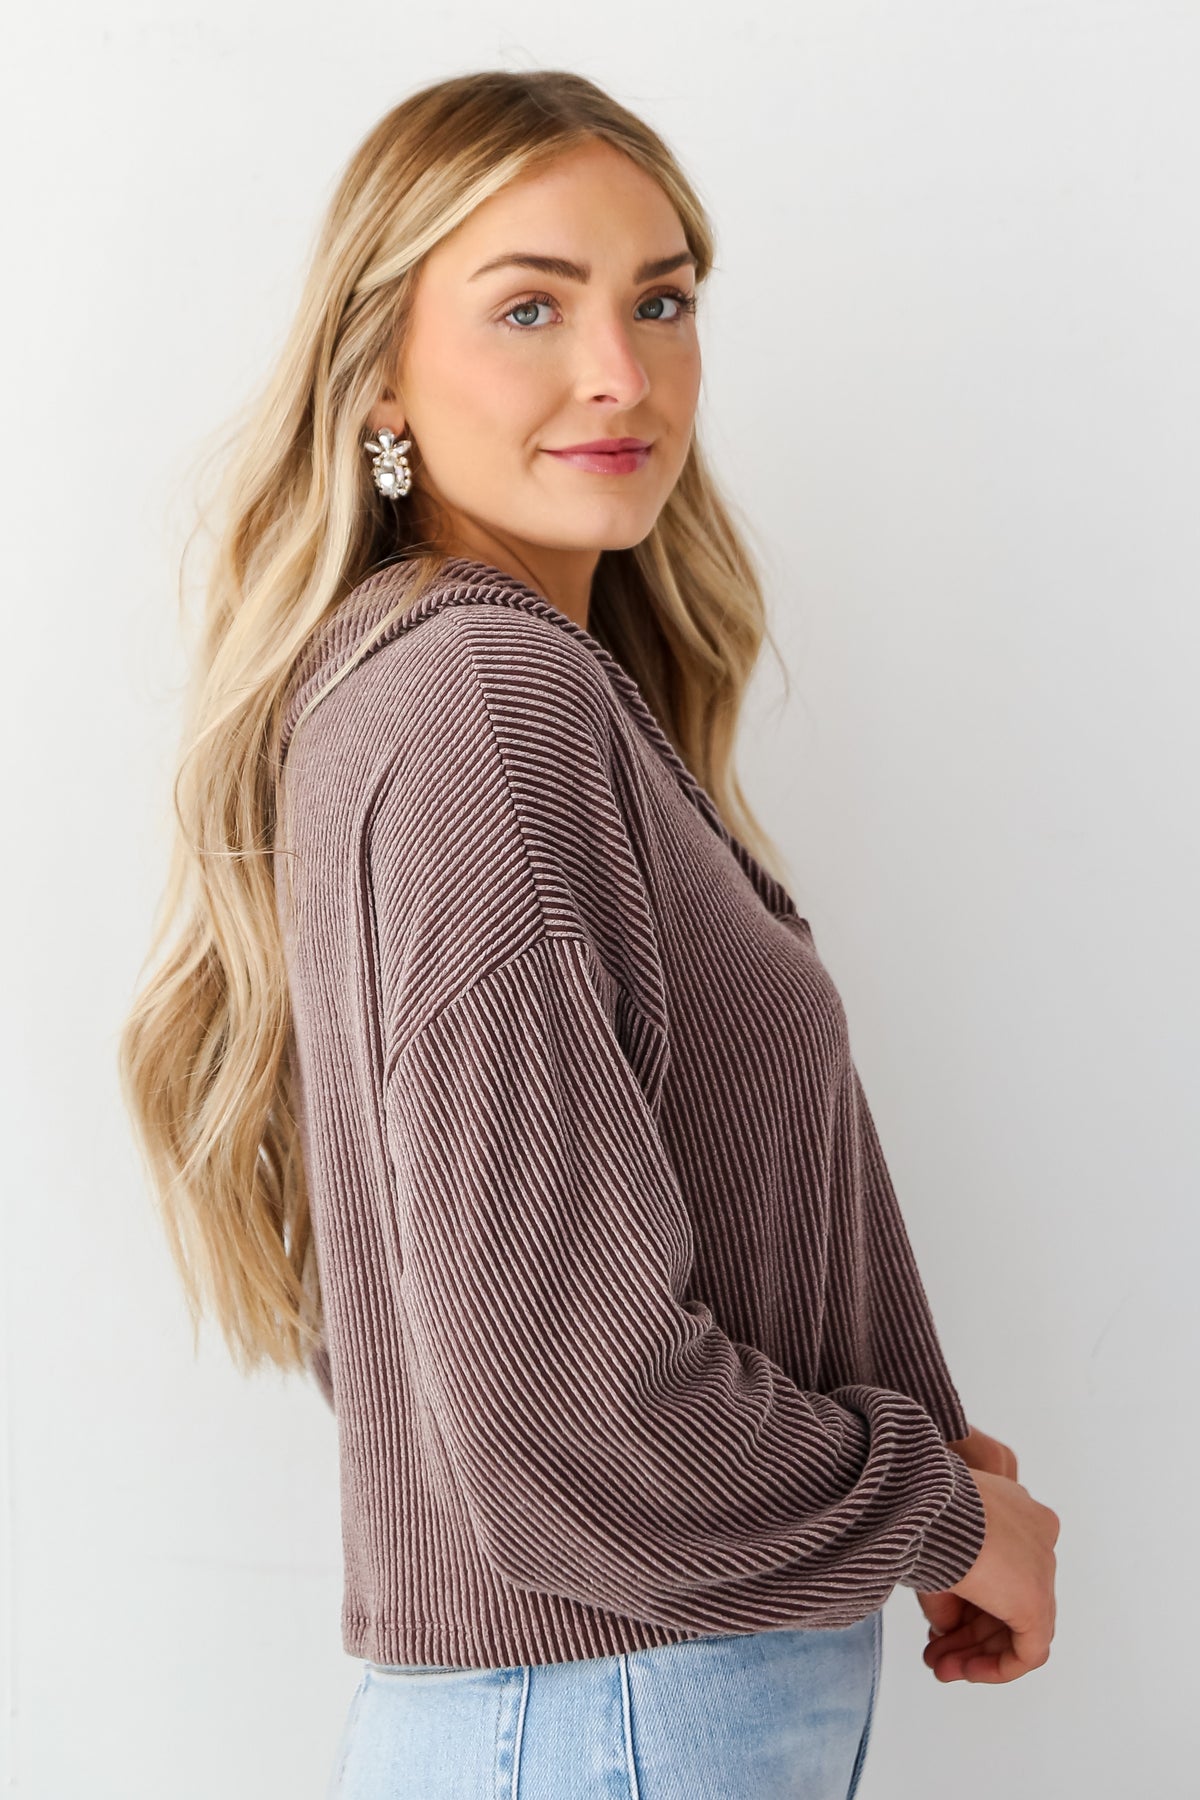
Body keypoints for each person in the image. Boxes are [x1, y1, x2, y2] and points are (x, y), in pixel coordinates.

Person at [118, 68, 1059, 1800]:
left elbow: (501, 1342)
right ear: (378, 372)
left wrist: (886, 1465)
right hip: (616, 1707)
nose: (622, 371)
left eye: (663, 301)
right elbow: (560, 1411)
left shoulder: (467, 688)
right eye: (531, 307)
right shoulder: (484, 697)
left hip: (608, 1706)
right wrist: (933, 1510)